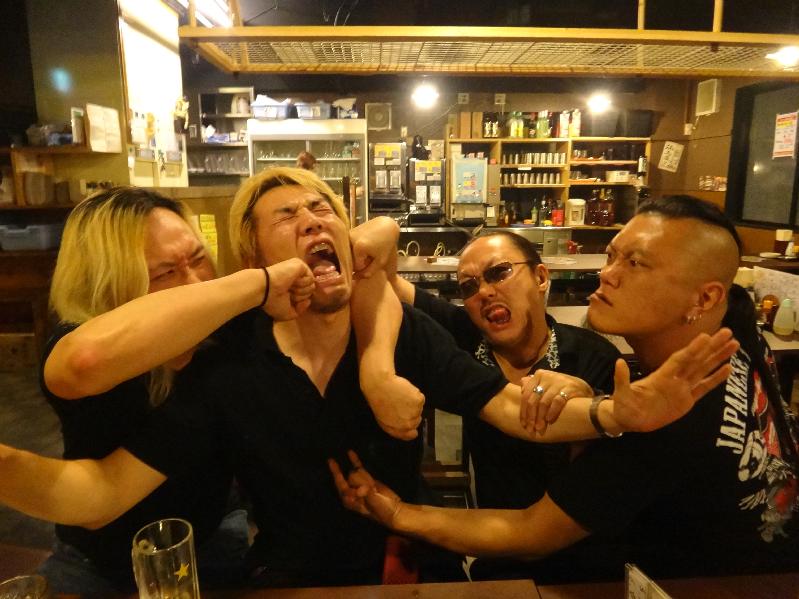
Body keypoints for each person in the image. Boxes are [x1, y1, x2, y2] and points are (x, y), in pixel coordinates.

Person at [0, 174, 735, 588]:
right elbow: (102, 489)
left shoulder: (398, 327)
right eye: (285, 216)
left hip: (394, 566)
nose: (310, 220)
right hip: (279, 576)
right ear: (253, 254)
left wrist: (611, 413)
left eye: (322, 208)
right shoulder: (227, 359)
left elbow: (510, 406)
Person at [331, 195, 799, 583]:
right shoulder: (738, 331)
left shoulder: (661, 411)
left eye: (635, 263)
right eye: (612, 256)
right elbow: (381, 274)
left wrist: (397, 514)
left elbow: (534, 532)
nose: (607, 274)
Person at [34, 186, 315, 594]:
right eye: (165, 273)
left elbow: (368, 245)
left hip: (210, 539)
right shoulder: (82, 340)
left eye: (199, 259)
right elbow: (84, 362)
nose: (196, 282)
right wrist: (261, 283)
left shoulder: (221, 337)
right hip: (95, 561)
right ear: (110, 285)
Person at [351, 221, 620, 508]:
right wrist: (387, 225)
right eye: (469, 286)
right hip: (487, 525)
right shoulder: (466, 335)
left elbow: (610, 478)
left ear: (540, 277)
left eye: (499, 272)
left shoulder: (593, 356)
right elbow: (383, 278)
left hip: (572, 526)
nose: (483, 292)